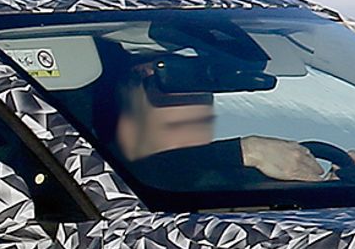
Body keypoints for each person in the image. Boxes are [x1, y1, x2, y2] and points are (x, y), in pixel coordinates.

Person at [100, 54, 336, 192]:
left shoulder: (225, 185)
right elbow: (129, 181)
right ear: (123, 131)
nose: (194, 141)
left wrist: (322, 189)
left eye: (201, 124)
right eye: (175, 127)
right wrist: (247, 151)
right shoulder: (101, 188)